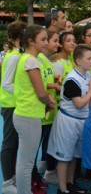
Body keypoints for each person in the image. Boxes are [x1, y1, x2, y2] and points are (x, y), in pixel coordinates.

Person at [47, 45, 91, 194]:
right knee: (64, 156)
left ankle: (70, 183)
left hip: (81, 120)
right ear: (78, 61)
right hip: (68, 120)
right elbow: (80, 103)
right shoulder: (72, 79)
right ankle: (62, 189)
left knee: (75, 155)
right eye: (89, 58)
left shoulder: (88, 76)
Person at [13, 25, 56, 194]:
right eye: (43, 39)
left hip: (26, 114)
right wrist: (49, 100)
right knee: (26, 163)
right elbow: (40, 93)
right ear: (31, 41)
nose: (46, 43)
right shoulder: (31, 60)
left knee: (25, 161)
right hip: (28, 116)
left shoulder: (26, 58)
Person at [0, 21, 27, 194]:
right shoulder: (15, 56)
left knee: (15, 143)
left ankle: (12, 177)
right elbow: (6, 83)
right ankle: (7, 182)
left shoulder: (17, 53)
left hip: (15, 104)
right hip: (11, 105)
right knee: (9, 144)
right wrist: (24, 94)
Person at [36, 31, 61, 185]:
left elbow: (46, 80)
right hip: (41, 111)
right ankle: (34, 177)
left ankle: (44, 169)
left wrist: (55, 81)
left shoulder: (47, 60)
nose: (57, 44)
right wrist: (55, 85)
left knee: (48, 143)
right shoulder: (37, 59)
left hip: (49, 111)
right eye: (54, 41)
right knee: (36, 146)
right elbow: (37, 83)